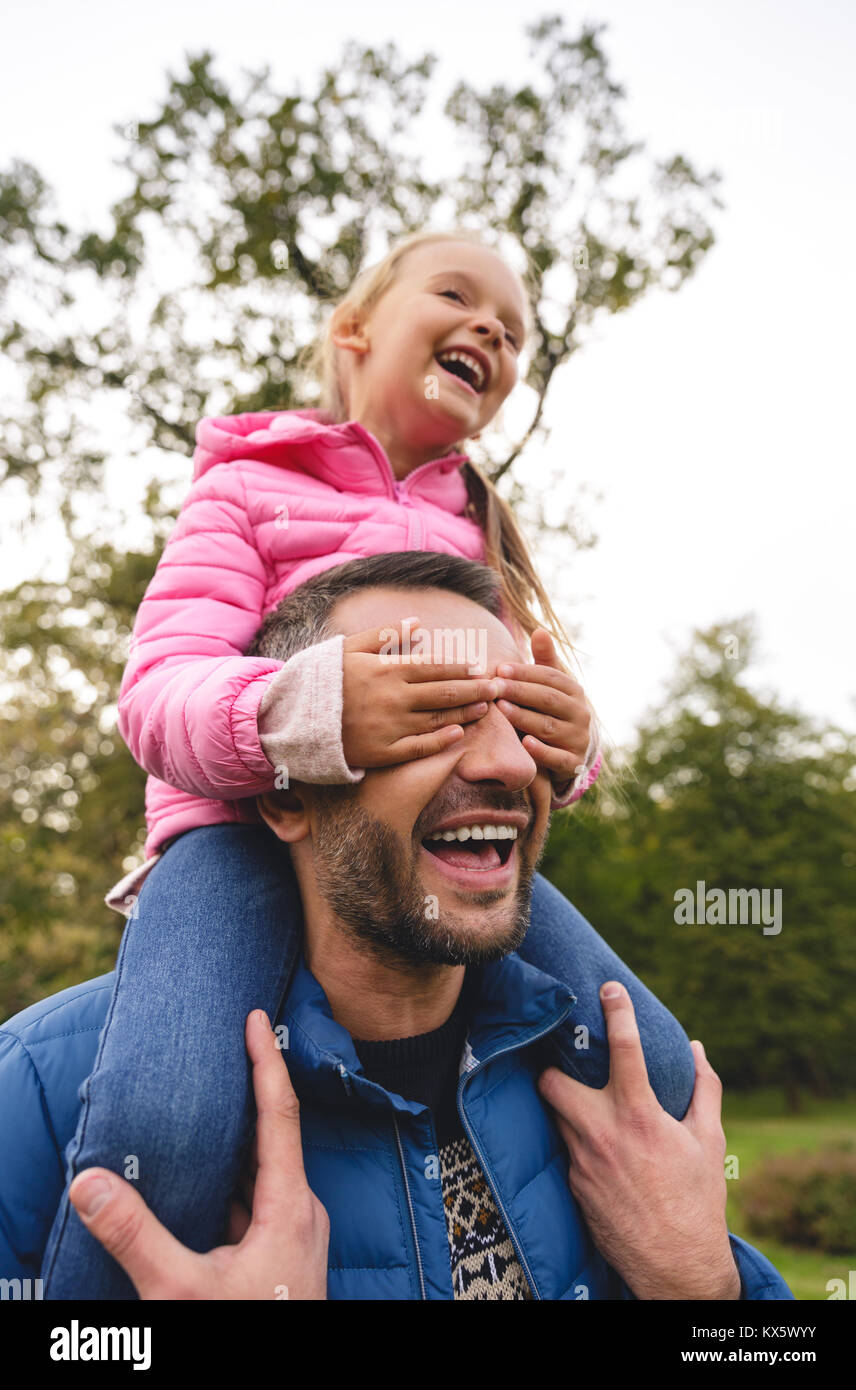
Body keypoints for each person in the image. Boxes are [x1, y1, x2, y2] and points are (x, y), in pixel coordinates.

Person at [37, 229, 698, 1300]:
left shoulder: (474, 527)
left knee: (654, 1067)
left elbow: (511, 721)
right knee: (168, 1113)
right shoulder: (245, 491)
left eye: (514, 331)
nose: (491, 327)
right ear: (353, 330)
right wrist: (310, 713)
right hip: (234, 837)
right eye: (456, 294)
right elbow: (156, 698)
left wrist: (568, 748)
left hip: (430, 849)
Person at [0, 555, 793, 1300]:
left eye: (524, 720)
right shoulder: (38, 1090)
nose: (512, 765)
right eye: (434, 713)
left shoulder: (618, 1112)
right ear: (285, 795)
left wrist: (703, 1285)